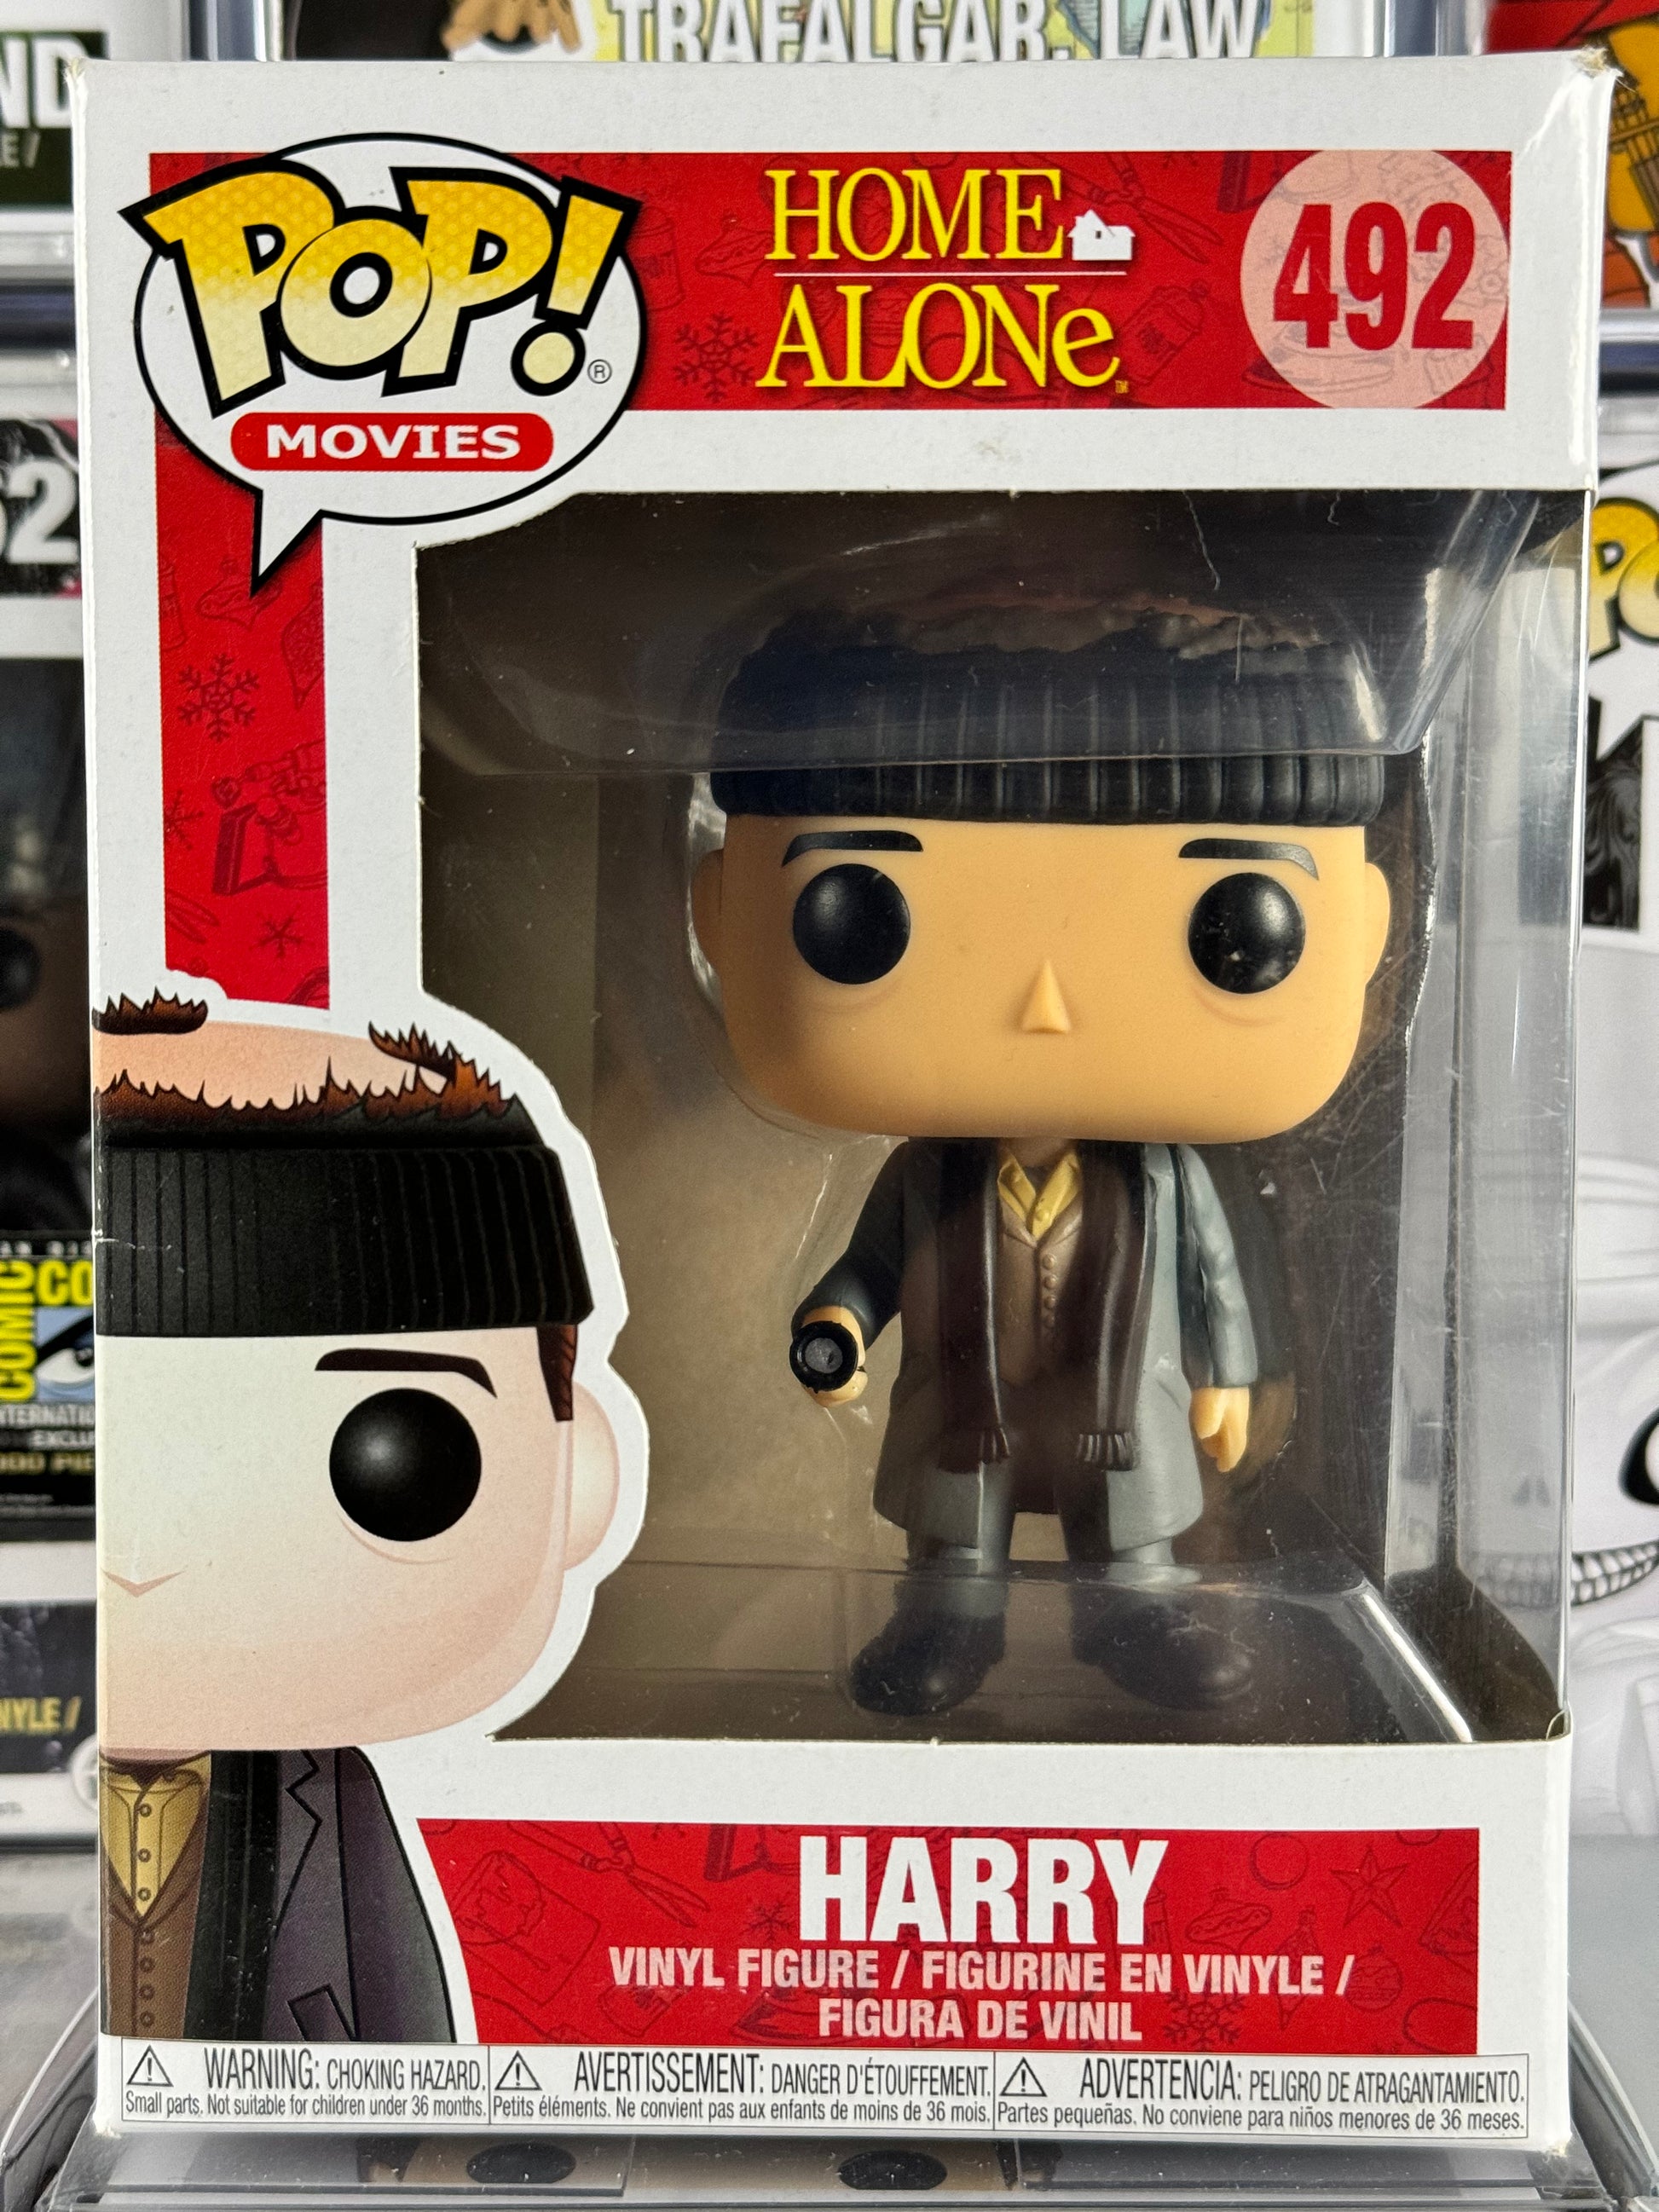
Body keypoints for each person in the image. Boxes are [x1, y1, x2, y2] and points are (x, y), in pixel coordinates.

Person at [693, 597, 1394, 1718]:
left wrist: (1226, 1370)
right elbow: (873, 1264)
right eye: (858, 915)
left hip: (1119, 1402)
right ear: (717, 917)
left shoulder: (1159, 1173)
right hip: (964, 1402)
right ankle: (946, 1618)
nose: (1045, 1001)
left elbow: (1212, 1273)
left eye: (1233, 925)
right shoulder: (928, 1172)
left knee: (1128, 1526)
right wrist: (834, 1326)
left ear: (1362, 929)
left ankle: (1135, 1614)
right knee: (954, 1531)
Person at [95, 1000, 616, 2040]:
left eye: (397, 1457)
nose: (154, 1556)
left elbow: (398, 2020)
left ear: (579, 1473)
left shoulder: (331, 1807)